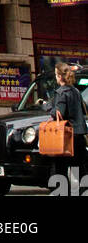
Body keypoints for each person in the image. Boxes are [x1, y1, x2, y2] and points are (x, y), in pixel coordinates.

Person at [48, 60, 88, 191]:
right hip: (80, 136)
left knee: (59, 171)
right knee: (80, 170)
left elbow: (59, 113)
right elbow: (82, 110)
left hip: (66, 138)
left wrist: (49, 108)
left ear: (59, 76)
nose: (55, 77)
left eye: (55, 74)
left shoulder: (61, 92)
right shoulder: (76, 91)